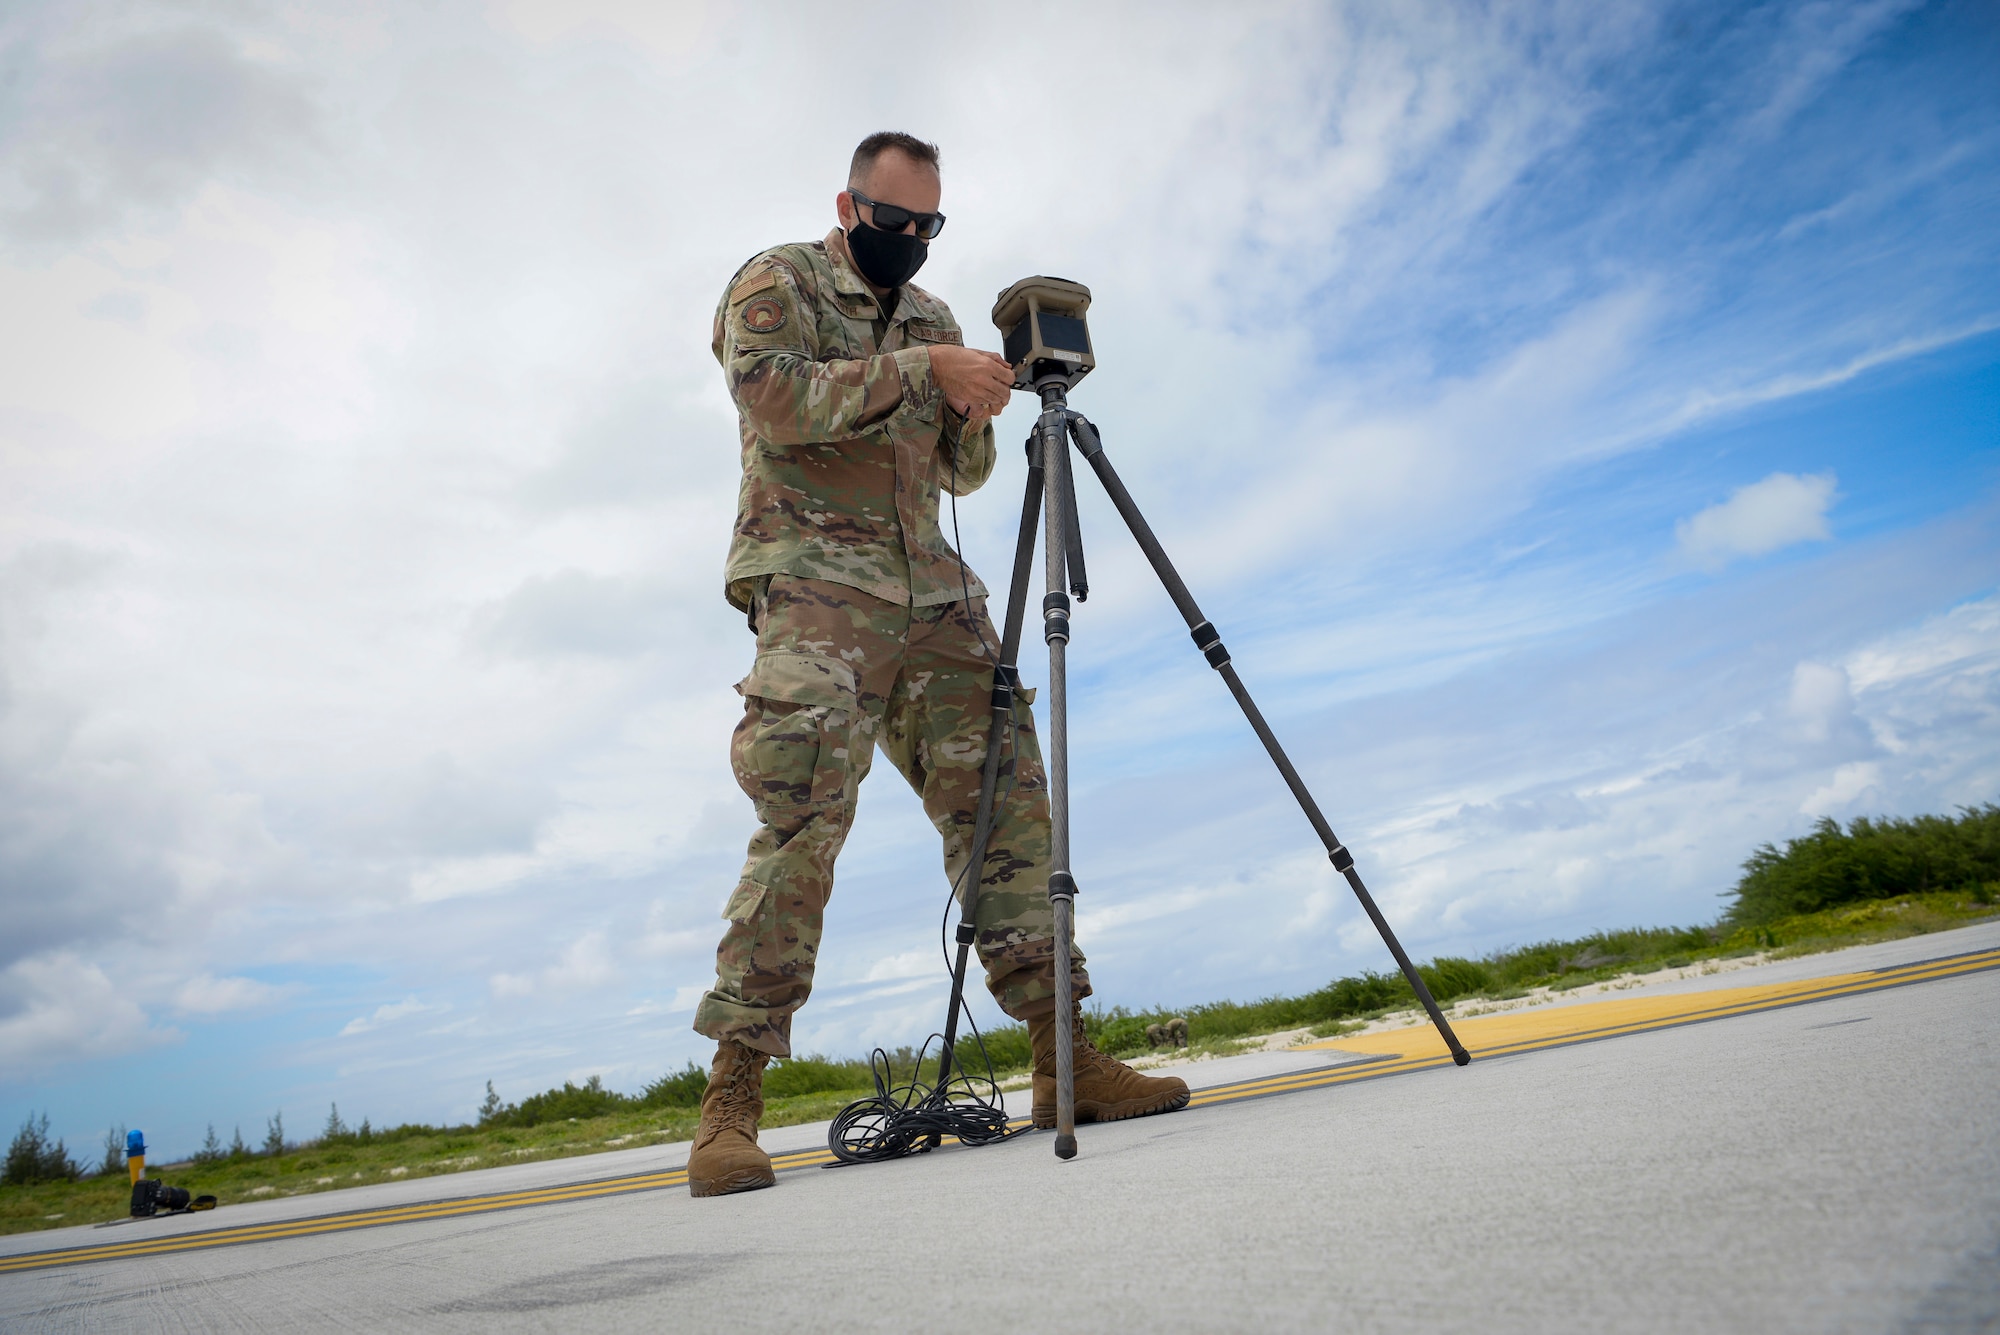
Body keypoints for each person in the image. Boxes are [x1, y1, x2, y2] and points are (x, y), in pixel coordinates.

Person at [687, 132, 1188, 1197]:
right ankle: (730, 1101)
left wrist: (972, 410)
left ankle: (1064, 1059)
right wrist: (922, 372)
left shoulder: (935, 320)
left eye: (928, 229)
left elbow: (960, 470)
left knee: (1012, 797)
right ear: (848, 204)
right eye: (892, 223)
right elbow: (771, 399)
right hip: (816, 583)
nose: (909, 243)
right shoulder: (776, 280)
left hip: (932, 588)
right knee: (802, 814)